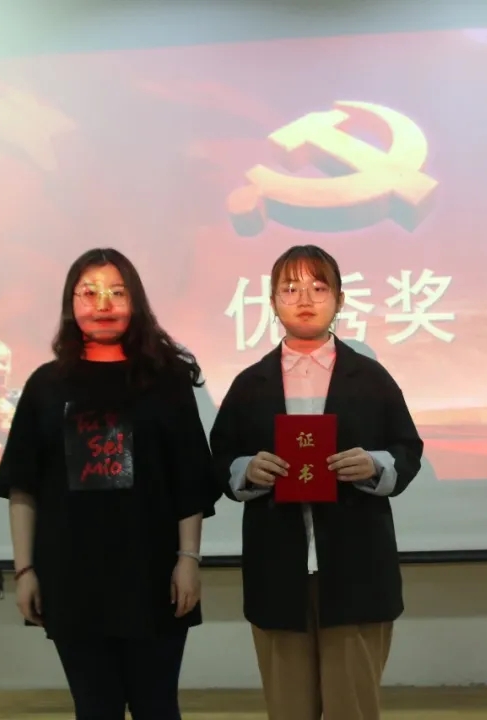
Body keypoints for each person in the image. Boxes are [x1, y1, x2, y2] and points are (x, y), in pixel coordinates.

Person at [0, 248, 219, 719]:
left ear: (136, 301)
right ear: (70, 304)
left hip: (153, 574)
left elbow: (189, 480)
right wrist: (25, 571)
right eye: (88, 293)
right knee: (94, 708)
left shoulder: (167, 381)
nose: (103, 304)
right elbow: (23, 486)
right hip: (71, 577)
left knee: (157, 706)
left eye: (117, 292)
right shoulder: (46, 385)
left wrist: (188, 560)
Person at [209, 244, 424, 720]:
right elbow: (219, 457)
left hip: (357, 569)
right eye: (290, 288)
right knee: (288, 709)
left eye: (318, 287)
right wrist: (246, 469)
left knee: (353, 709)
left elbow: (408, 450)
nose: (304, 298)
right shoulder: (250, 384)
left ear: (340, 299)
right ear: (272, 301)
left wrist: (375, 464)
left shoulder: (371, 378)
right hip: (276, 571)